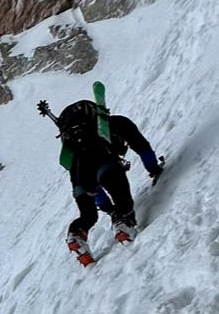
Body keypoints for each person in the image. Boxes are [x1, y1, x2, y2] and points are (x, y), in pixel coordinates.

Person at [39, 80, 163, 267]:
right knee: (124, 202)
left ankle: (77, 235)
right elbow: (142, 147)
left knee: (88, 216)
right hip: (106, 162)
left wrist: (106, 208)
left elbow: (91, 189)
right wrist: (154, 169)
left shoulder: (74, 149)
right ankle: (124, 224)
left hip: (80, 175)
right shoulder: (117, 123)